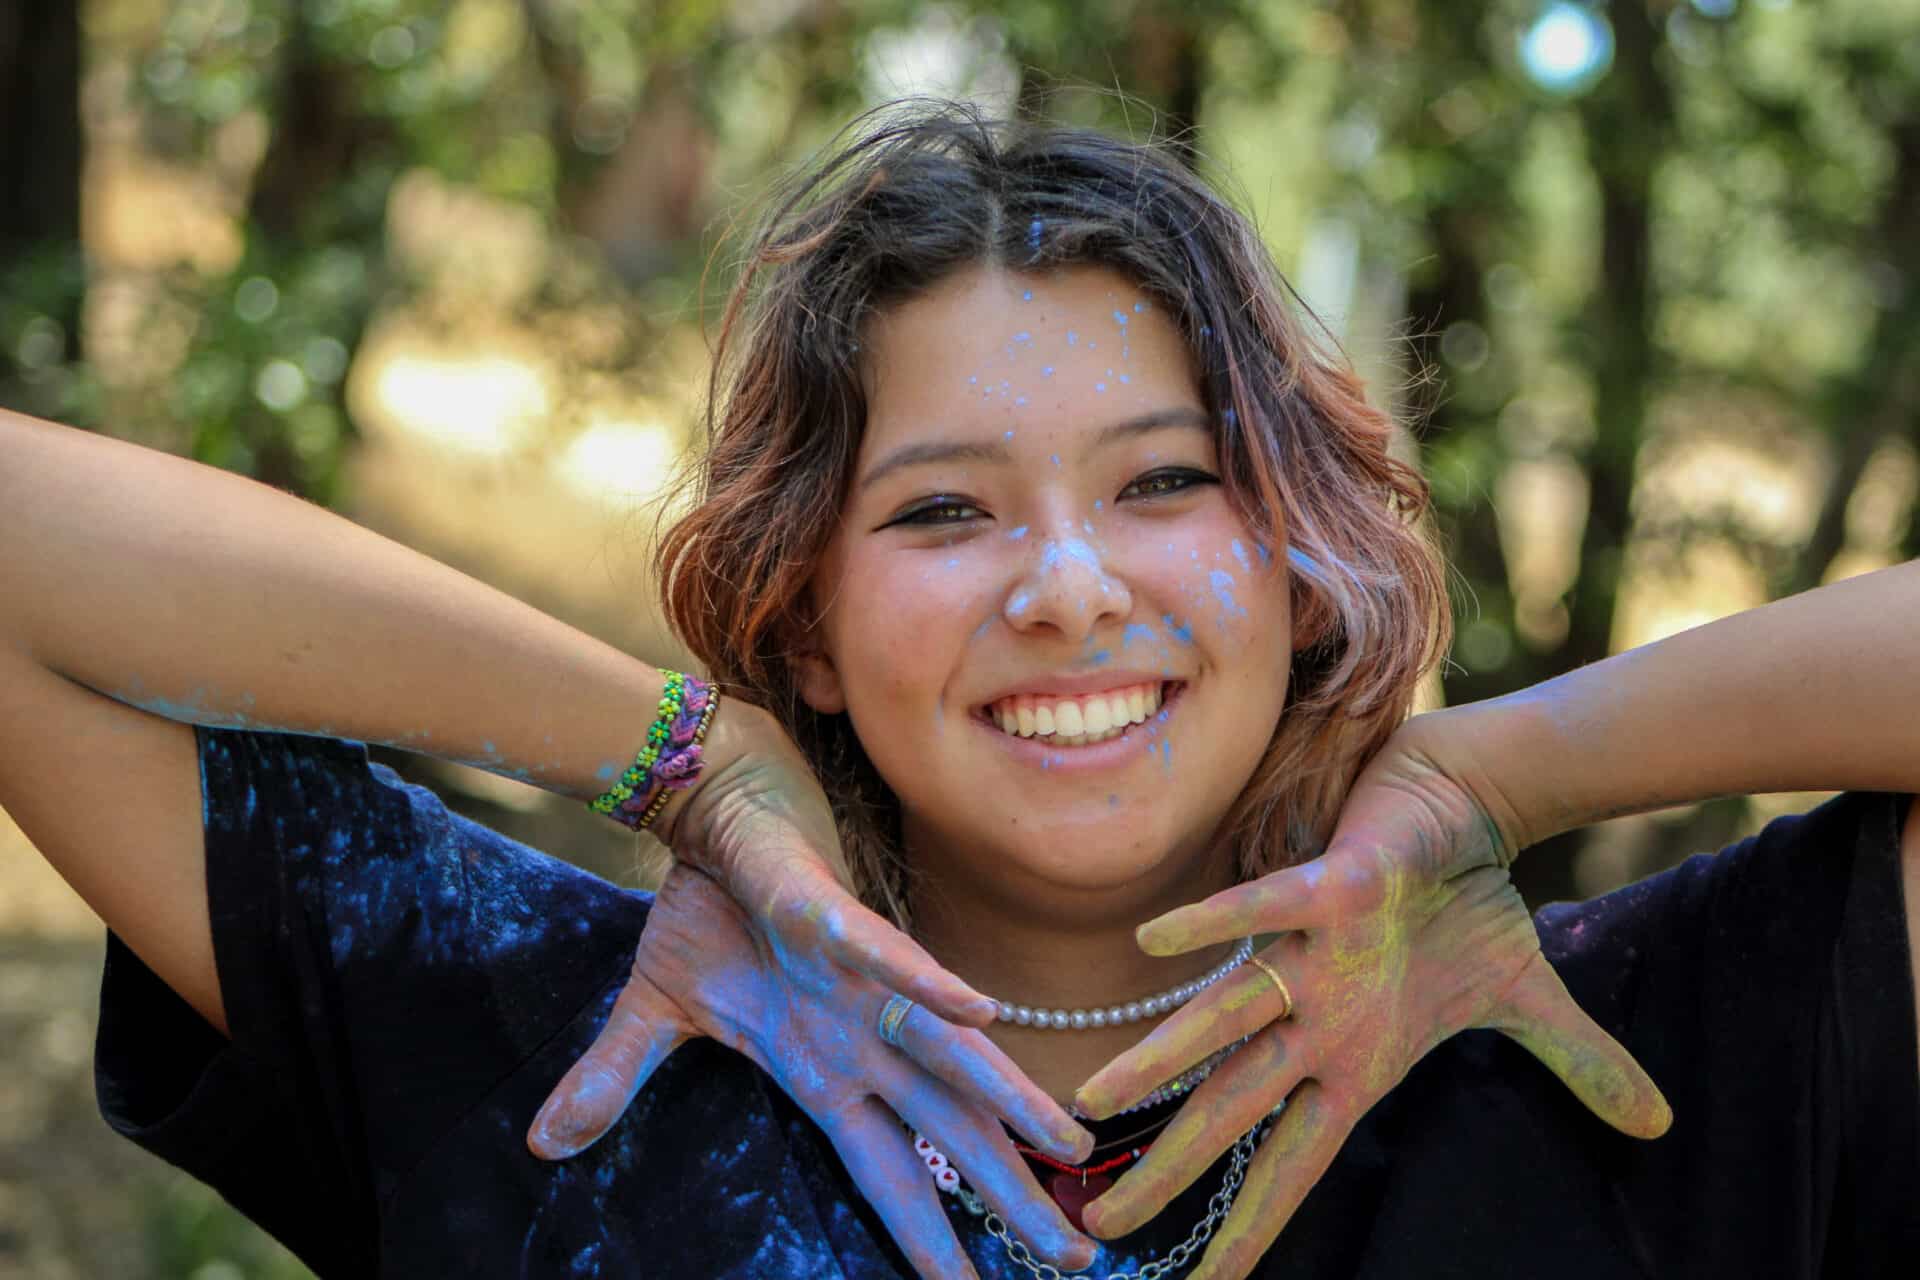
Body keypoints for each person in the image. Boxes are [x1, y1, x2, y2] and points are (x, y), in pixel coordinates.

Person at [0, 100, 1914, 1280]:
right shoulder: (561, 1047)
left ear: (1305, 565)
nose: (1071, 591)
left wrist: (1494, 773)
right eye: (941, 511)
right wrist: (671, 759)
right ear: (808, 616)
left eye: (1167, 482)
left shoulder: (1639, 1052)